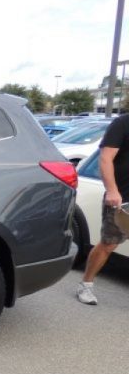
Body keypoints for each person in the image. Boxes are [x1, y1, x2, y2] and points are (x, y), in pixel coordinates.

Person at [76, 113, 129, 304]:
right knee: (109, 244)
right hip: (122, 199)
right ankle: (86, 284)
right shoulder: (122, 123)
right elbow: (105, 158)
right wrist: (112, 191)